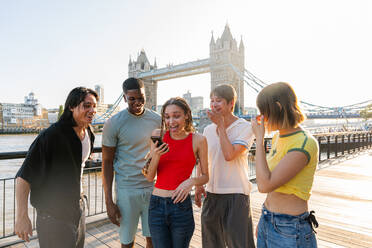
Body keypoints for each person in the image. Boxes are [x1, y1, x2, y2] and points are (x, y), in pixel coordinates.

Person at [15, 87, 98, 248]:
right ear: (71, 106)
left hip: (78, 208)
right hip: (53, 214)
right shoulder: (51, 136)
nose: (92, 110)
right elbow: (23, 177)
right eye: (87, 105)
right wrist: (22, 217)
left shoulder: (89, 133)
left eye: (94, 106)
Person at [251, 82, 319, 248]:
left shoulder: (304, 143)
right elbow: (270, 180)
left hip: (290, 228)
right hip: (268, 218)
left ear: (278, 107)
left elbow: (264, 184)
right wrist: (265, 220)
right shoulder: (277, 137)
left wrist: (258, 140)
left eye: (264, 111)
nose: (262, 117)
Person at [102, 77, 161, 248]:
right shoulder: (113, 123)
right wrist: (108, 202)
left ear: (145, 94)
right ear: (125, 97)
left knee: (154, 239)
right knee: (127, 242)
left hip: (152, 187)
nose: (137, 102)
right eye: (132, 98)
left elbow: (162, 152)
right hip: (127, 189)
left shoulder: (157, 119)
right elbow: (106, 161)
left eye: (141, 97)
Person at [142, 97, 209, 248]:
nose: (171, 121)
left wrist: (191, 181)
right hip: (156, 206)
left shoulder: (199, 140)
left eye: (176, 115)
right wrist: (157, 155)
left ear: (186, 115)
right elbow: (149, 176)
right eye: (167, 117)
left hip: (181, 206)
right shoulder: (157, 135)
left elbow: (206, 176)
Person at [195, 84, 256, 248]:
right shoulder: (207, 129)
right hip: (211, 194)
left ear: (231, 103)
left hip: (236, 194)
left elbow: (229, 155)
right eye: (212, 100)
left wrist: (221, 126)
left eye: (219, 100)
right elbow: (203, 159)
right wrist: (199, 185)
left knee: (240, 243)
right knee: (211, 243)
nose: (214, 105)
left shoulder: (245, 128)